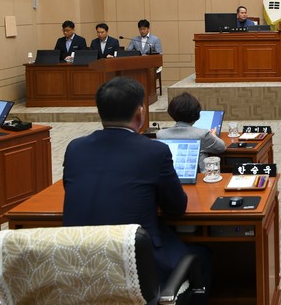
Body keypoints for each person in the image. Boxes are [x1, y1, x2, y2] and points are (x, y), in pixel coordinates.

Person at [62, 77, 195, 285]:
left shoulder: (75, 148)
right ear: (140, 112)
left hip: (80, 264)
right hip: (137, 264)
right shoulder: (154, 151)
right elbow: (176, 208)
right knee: (202, 256)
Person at [157, 93, 226, 171]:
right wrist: (213, 135)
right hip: (198, 177)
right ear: (197, 114)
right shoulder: (202, 134)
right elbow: (221, 148)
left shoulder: (160, 134)